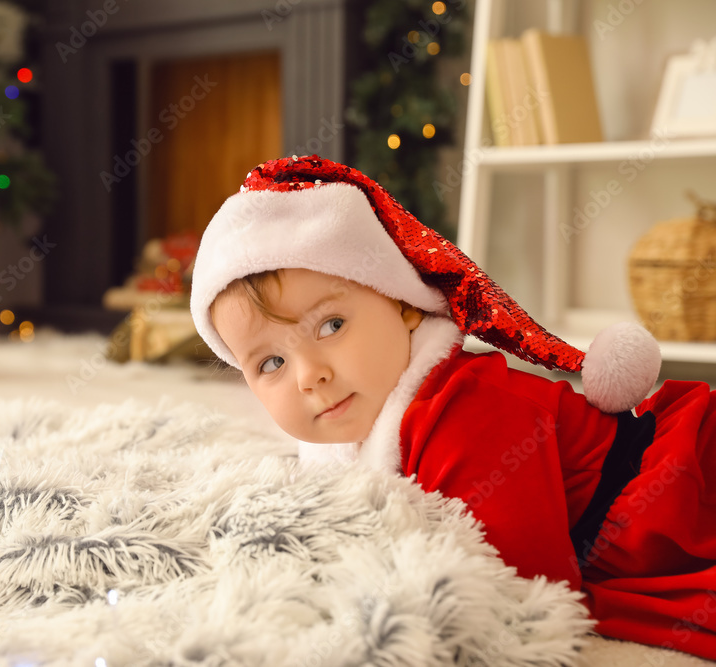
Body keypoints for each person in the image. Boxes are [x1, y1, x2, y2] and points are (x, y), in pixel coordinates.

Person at [189, 155, 716, 660]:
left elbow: (526, 590)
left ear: (401, 302)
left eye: (331, 326)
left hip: (681, 483)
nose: (309, 376)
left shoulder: (465, 415)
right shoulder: (354, 431)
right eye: (271, 363)